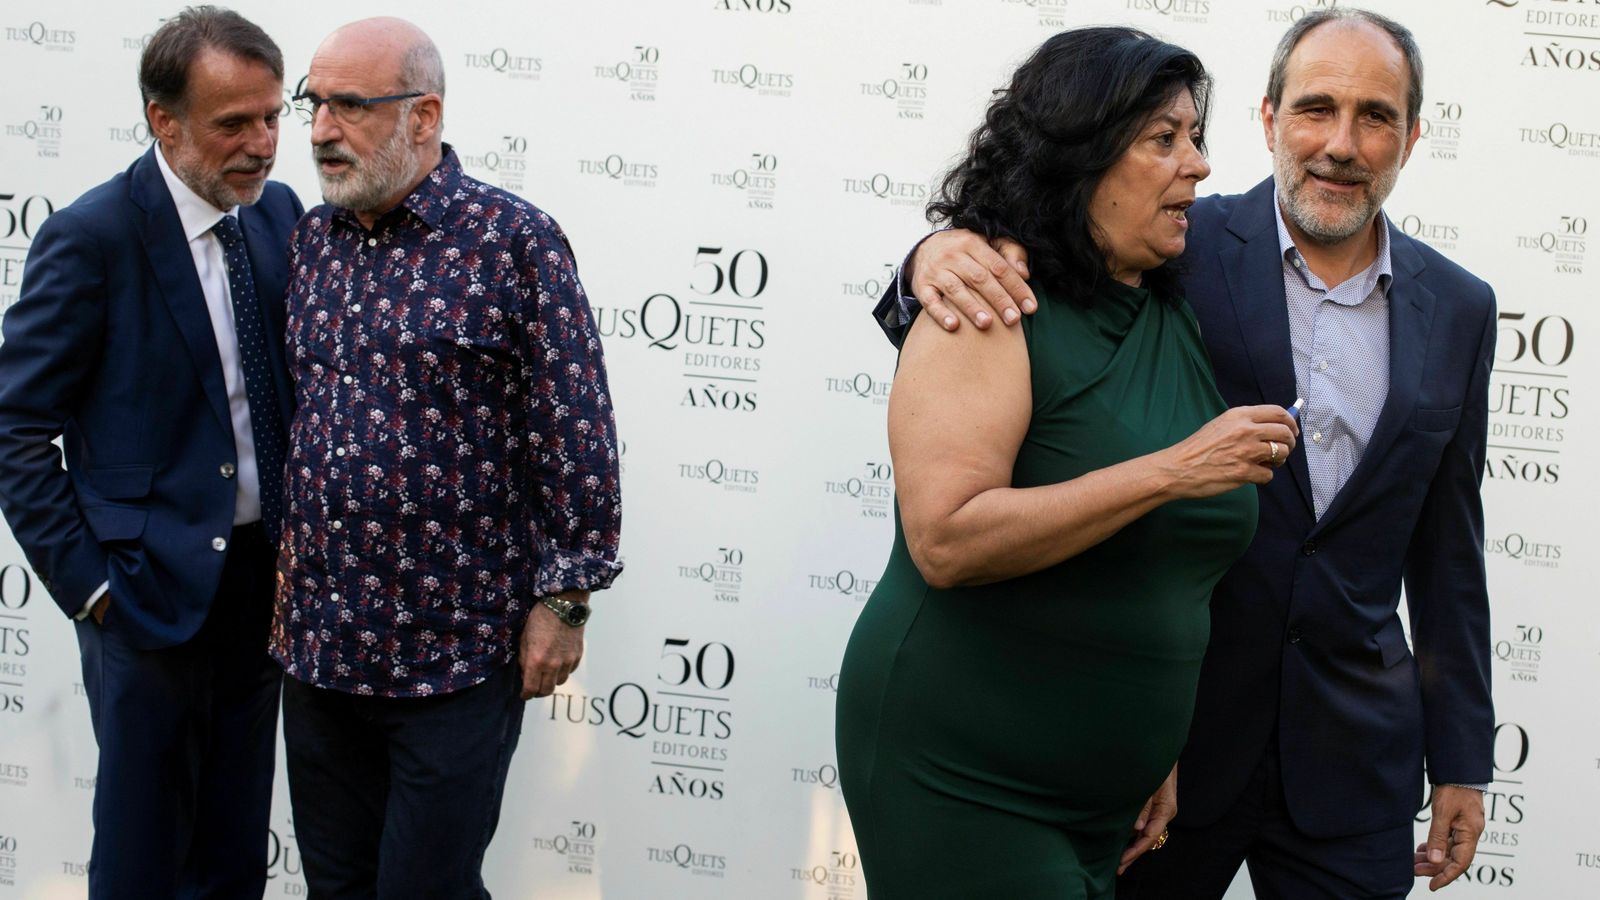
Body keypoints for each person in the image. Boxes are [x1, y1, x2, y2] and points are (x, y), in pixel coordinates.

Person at [882, 8, 1495, 899]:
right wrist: (927, 257)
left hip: (1355, 758)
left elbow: (1450, 553)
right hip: (1168, 751)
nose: (1342, 144)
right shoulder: (1176, 241)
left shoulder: (1462, 307)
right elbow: (1015, 287)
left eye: (1376, 117)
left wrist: (1463, 758)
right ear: (1269, 119)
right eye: (1316, 109)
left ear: (1412, 135)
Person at [835, 28, 1299, 900]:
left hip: (1109, 802)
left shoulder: (1173, 300)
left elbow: (1167, 577)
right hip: (963, 774)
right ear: (1080, 156)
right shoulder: (989, 301)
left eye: (1196, 137)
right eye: (1164, 140)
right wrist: (1170, 471)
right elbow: (946, 539)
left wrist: (1150, 749)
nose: (1197, 165)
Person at [269, 17, 622, 898]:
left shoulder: (515, 241)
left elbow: (575, 430)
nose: (318, 131)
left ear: (423, 116)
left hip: (455, 653)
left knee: (426, 888)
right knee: (338, 887)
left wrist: (566, 602)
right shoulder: (310, 244)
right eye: (314, 105)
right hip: (320, 649)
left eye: (350, 106)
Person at [0, 6, 301, 897]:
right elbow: (15, 427)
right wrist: (92, 587)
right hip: (143, 591)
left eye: (273, 116)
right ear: (163, 121)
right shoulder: (91, 238)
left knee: (235, 843)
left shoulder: (277, 215)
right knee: (141, 851)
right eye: (233, 123)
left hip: (263, 588)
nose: (262, 143)